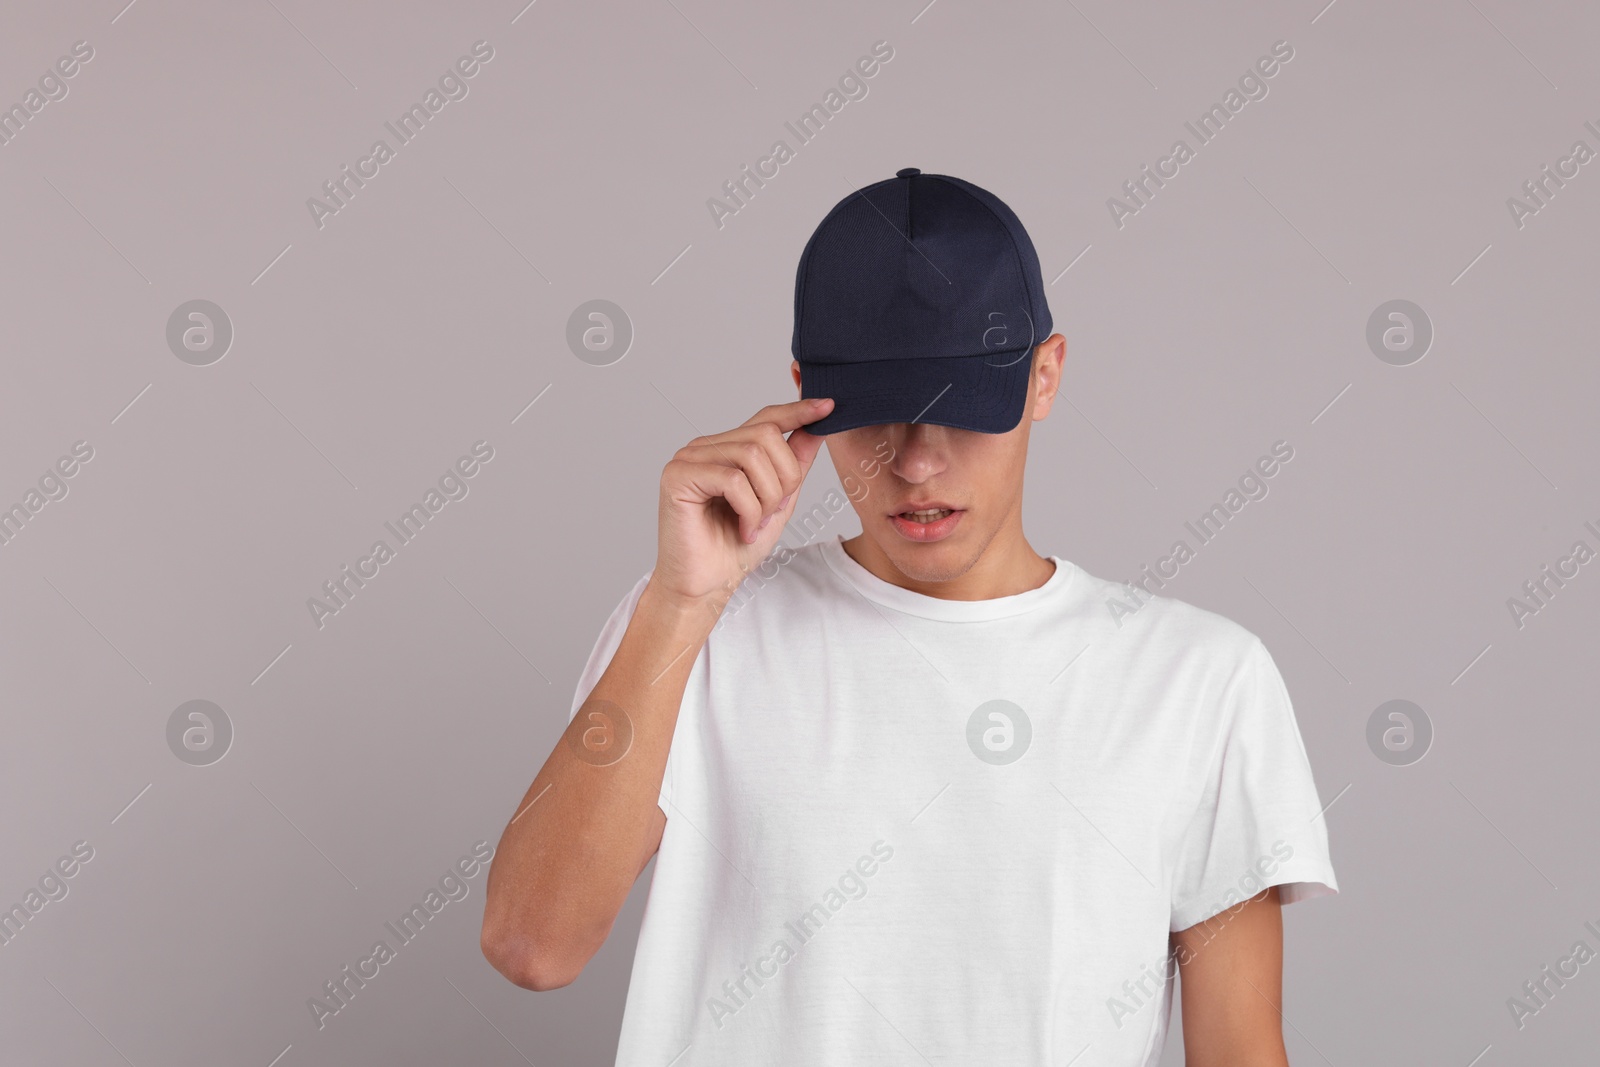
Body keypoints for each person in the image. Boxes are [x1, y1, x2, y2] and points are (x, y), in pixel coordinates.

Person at [481, 168, 1338, 1065]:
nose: (919, 464)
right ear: (806, 395)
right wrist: (682, 603)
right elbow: (532, 947)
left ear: (1045, 375)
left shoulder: (1198, 681)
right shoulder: (697, 629)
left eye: (964, 412)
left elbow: (1240, 1049)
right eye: (879, 415)